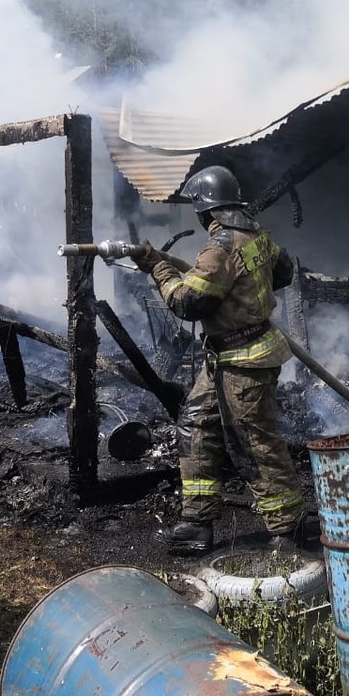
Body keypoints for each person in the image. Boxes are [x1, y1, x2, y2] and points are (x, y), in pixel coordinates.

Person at [132, 164, 310, 555]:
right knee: (196, 426)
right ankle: (196, 524)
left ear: (204, 209)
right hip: (227, 358)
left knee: (254, 443)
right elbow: (280, 272)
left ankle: (290, 527)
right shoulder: (256, 236)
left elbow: (187, 302)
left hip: (243, 361)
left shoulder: (220, 247)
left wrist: (159, 268)